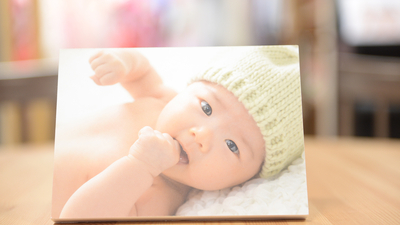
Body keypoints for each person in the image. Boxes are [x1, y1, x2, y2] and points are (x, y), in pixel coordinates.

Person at [51, 46, 304, 219]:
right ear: (188, 89)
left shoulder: (160, 196)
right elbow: (142, 70)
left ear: (245, 181)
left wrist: (140, 166)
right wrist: (122, 63)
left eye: (232, 146)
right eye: (206, 107)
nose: (202, 135)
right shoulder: (162, 99)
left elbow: (78, 219)